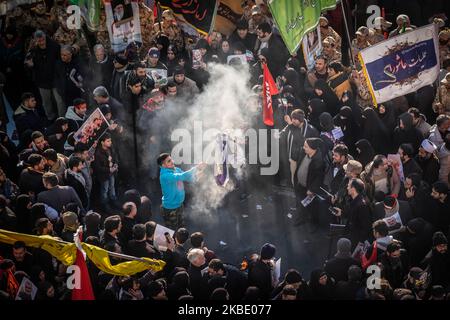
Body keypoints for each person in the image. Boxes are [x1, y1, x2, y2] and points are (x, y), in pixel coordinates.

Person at [157, 153, 206, 230]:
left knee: (181, 229)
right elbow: (182, 176)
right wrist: (197, 168)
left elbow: (188, 178)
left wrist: (197, 176)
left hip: (179, 205)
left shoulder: (176, 169)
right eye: (169, 161)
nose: (172, 161)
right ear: (163, 165)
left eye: (171, 159)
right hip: (170, 209)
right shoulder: (164, 176)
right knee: (172, 232)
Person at [24, 30, 61, 121]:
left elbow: (60, 60)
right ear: (36, 40)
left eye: (42, 40)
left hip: (55, 78)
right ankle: (50, 118)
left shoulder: (54, 46)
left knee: (60, 101)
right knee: (46, 102)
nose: (41, 42)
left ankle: (62, 118)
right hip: (42, 80)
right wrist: (30, 65)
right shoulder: (33, 49)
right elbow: (27, 62)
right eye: (39, 41)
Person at [292, 138, 325, 230]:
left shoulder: (319, 161)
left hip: (309, 189)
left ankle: (314, 224)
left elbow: (319, 178)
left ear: (312, 148)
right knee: (300, 203)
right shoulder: (304, 153)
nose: (303, 148)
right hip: (300, 185)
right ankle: (301, 218)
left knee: (312, 208)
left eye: (306, 146)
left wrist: (312, 189)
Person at [332, 179, 372, 248]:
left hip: (356, 240)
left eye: (348, 186)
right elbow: (353, 215)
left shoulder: (362, 205)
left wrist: (359, 244)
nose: (347, 188)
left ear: (353, 189)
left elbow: (366, 227)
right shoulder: (355, 200)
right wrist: (341, 213)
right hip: (352, 235)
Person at [93, 134, 118, 211]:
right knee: (105, 189)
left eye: (110, 140)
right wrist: (108, 170)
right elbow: (97, 167)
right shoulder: (98, 153)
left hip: (111, 173)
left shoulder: (110, 148)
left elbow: (115, 156)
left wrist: (116, 164)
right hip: (104, 176)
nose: (110, 142)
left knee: (112, 187)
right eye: (108, 141)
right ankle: (105, 204)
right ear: (102, 142)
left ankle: (113, 200)